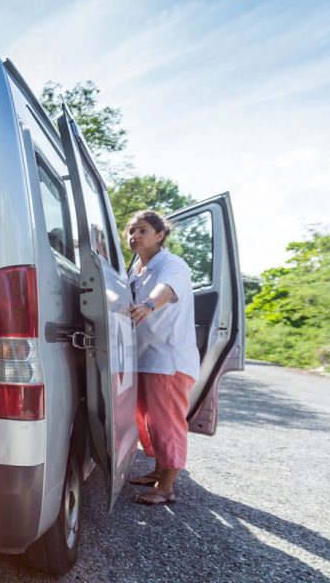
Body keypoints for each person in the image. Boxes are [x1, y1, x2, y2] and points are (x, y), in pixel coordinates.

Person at [126, 210, 199, 506]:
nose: (135, 236)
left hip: (168, 359)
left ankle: (167, 487)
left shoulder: (173, 264)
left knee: (167, 422)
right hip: (144, 358)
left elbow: (166, 290)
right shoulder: (136, 268)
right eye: (132, 230)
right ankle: (158, 471)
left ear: (160, 235)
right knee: (148, 420)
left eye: (142, 230)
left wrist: (147, 305)